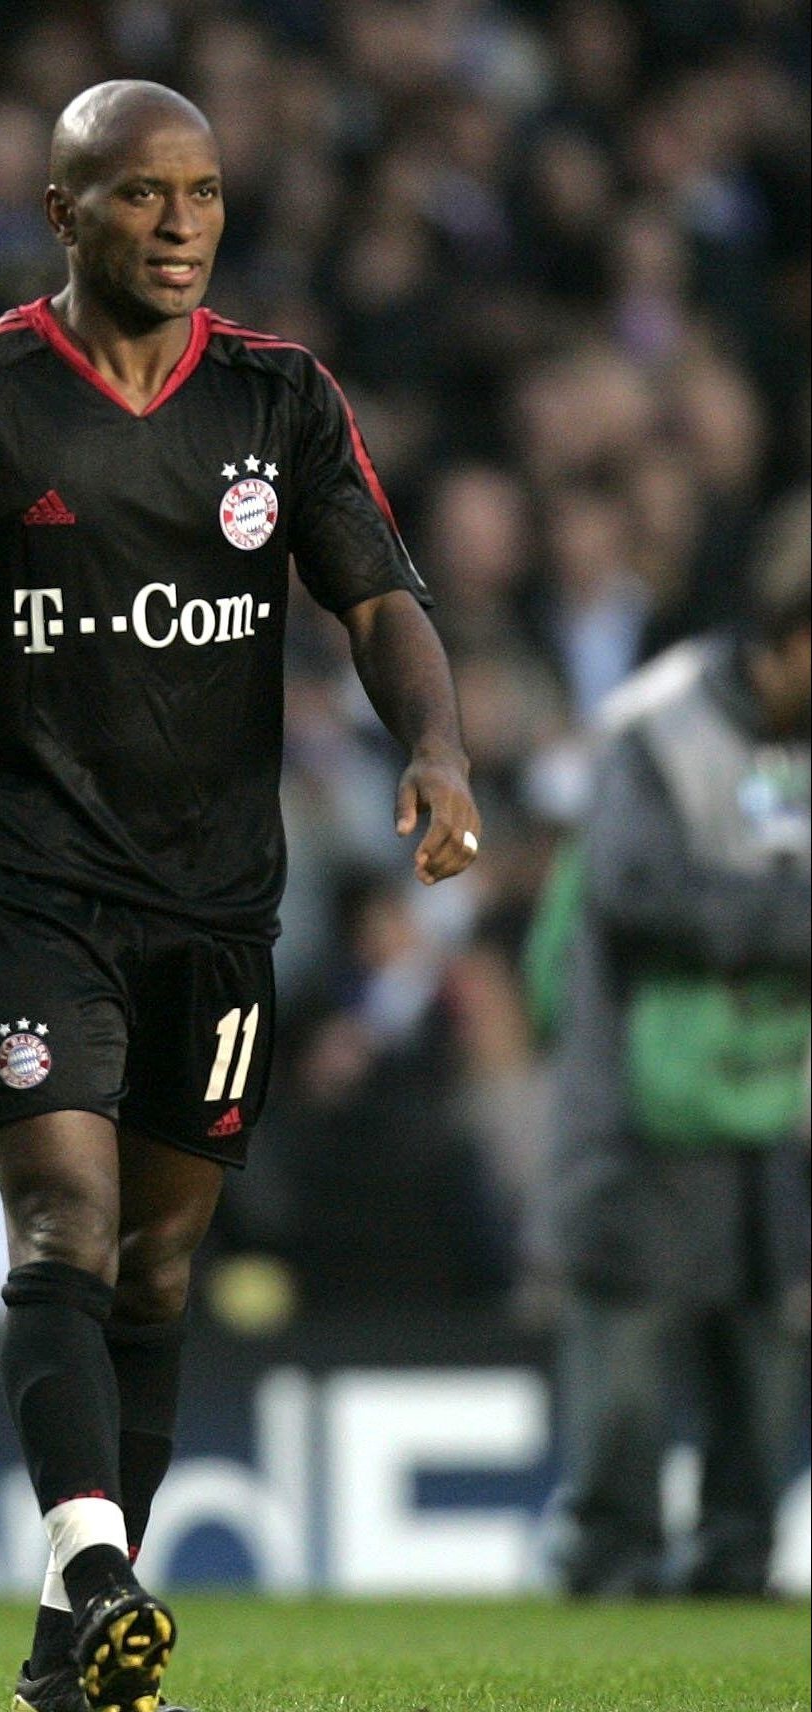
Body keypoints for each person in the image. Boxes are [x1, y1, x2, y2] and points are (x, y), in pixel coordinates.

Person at [0, 81, 479, 1712]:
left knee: (157, 1266)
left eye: (202, 192)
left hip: (216, 901)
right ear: (62, 212)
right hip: (21, 879)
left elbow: (378, 598)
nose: (178, 223)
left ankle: (69, 1642)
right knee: (64, 1222)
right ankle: (101, 1568)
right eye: (140, 192)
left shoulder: (277, 396)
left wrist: (438, 747)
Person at [534, 487, 810, 1597]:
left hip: (774, 1099)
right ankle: (610, 1558)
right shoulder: (660, 726)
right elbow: (633, 889)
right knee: (630, 1358)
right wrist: (790, 922)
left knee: (762, 1344)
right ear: (793, 641)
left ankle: (737, 1558)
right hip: (638, 1104)